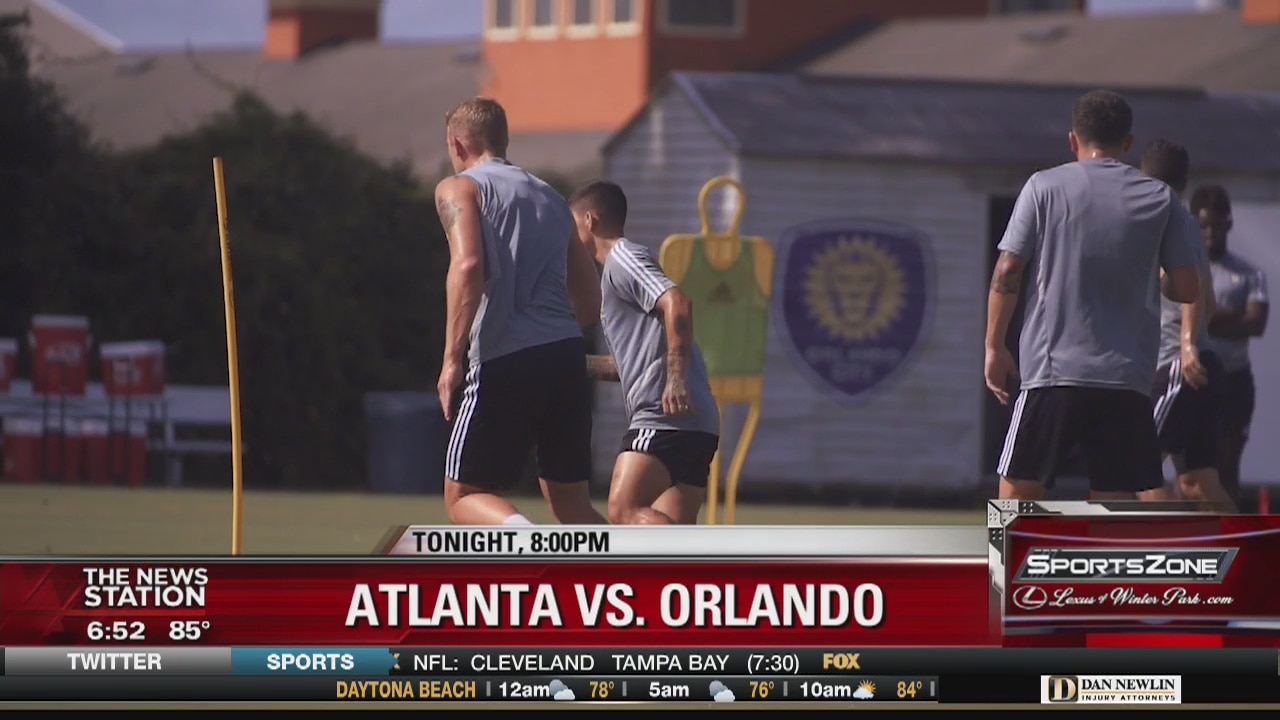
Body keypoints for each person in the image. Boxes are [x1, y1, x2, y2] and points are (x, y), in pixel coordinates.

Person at [985, 89, 1202, 501]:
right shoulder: (1161, 197)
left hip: (1052, 373)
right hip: (1127, 379)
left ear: (1073, 140)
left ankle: (1007, 566)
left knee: (1016, 493)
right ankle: (1107, 567)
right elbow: (1187, 288)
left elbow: (1007, 271)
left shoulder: (1043, 186)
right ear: (1128, 144)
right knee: (1116, 505)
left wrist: (994, 346)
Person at [434, 97, 606, 526]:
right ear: (504, 140)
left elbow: (468, 265)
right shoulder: (551, 198)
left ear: (457, 144)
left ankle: (522, 544)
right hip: (565, 354)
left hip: (504, 355)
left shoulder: (459, 188)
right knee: (573, 507)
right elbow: (590, 298)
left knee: (464, 497)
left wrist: (451, 361)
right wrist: (552, 343)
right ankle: (639, 582)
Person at [568, 181, 720, 525]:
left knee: (623, 511)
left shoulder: (622, 257)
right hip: (695, 422)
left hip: (664, 415)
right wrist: (569, 363)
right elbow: (632, 365)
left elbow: (677, 303)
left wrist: (676, 379)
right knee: (668, 546)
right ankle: (714, 575)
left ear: (589, 221)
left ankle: (728, 567)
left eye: (570, 225)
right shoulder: (616, 272)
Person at [1140, 140, 1236, 510]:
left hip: (1179, 365)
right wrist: (1195, 339)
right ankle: (1253, 560)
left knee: (1137, 465)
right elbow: (1209, 301)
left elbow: (1192, 289)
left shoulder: (1162, 220)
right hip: (1204, 364)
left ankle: (1167, 560)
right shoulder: (1187, 224)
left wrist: (1185, 342)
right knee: (1198, 482)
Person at [1192, 184, 1270, 503]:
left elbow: (1256, 323)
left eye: (1217, 225)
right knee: (1193, 473)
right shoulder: (1187, 272)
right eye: (1203, 226)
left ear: (1229, 224)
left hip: (1234, 381)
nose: (1210, 233)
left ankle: (1231, 541)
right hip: (1195, 380)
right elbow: (1187, 320)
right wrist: (1228, 315)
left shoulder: (1250, 274)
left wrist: (1208, 315)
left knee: (1226, 468)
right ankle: (1194, 541)